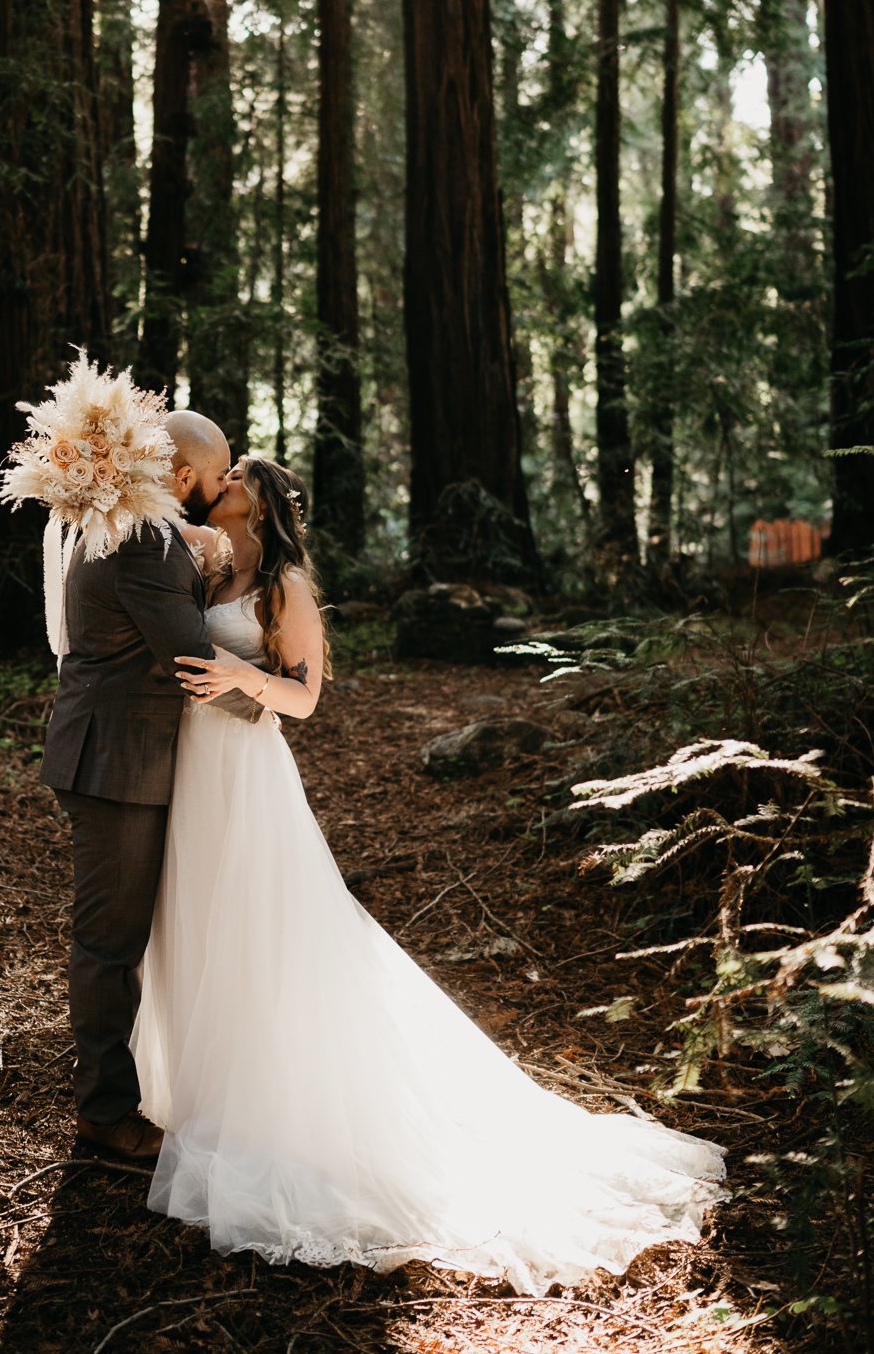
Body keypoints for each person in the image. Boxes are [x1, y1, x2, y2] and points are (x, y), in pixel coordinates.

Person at [129, 455, 726, 1292]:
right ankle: (199, 1096)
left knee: (264, 927)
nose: (215, 481)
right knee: (195, 919)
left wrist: (239, 675)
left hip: (244, 771)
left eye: (231, 478)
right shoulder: (203, 567)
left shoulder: (285, 588)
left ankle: (270, 1108)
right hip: (188, 767)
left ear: (258, 504)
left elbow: (303, 700)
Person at [39, 411, 266, 1167]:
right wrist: (280, 708)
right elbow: (195, 663)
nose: (218, 490)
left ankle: (132, 1088)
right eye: (213, 477)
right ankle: (103, 1112)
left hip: (129, 756)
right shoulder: (144, 541)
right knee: (108, 944)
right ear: (178, 480)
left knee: (128, 937)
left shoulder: (143, 532)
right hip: (116, 764)